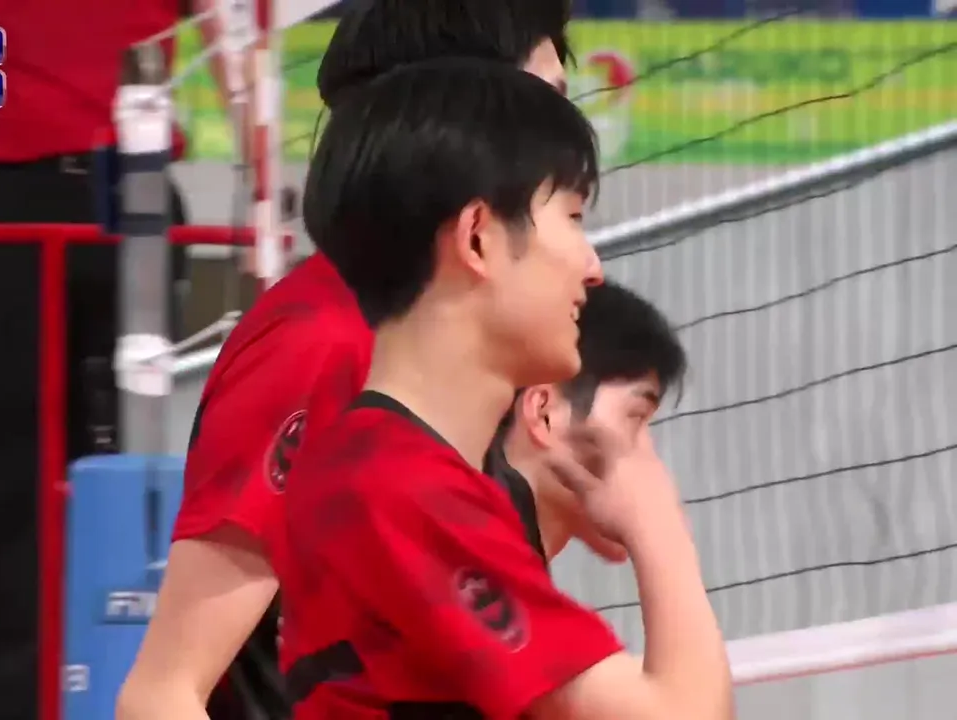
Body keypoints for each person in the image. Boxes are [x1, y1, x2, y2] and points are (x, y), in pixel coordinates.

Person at [116, 2, 578, 718]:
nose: (567, 136)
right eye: (546, 101)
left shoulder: (467, 350)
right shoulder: (322, 340)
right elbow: (164, 691)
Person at [279, 59, 732, 718]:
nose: (592, 266)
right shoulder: (403, 490)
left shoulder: (392, 473)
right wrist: (656, 520)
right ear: (478, 238)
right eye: (572, 217)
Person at [0, 1, 263, 718]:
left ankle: (131, 686)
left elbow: (232, 34)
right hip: (2, 195)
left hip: (126, 189)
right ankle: (14, 703)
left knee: (123, 473)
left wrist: (265, 200)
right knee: (3, 479)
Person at [486, 280, 687, 564]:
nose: (650, 459)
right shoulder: (479, 571)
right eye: (636, 416)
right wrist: (660, 542)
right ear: (544, 413)